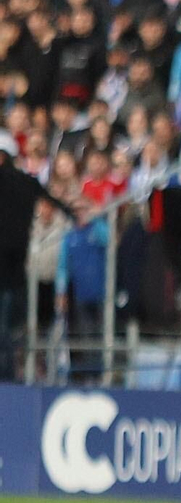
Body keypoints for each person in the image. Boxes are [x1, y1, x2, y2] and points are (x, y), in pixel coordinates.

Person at [0, 132, 86, 382]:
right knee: (12, 329)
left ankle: (8, 379)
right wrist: (74, 214)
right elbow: (57, 204)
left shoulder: (18, 182)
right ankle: (11, 378)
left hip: (11, 268)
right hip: (19, 269)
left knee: (8, 329)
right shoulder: (28, 182)